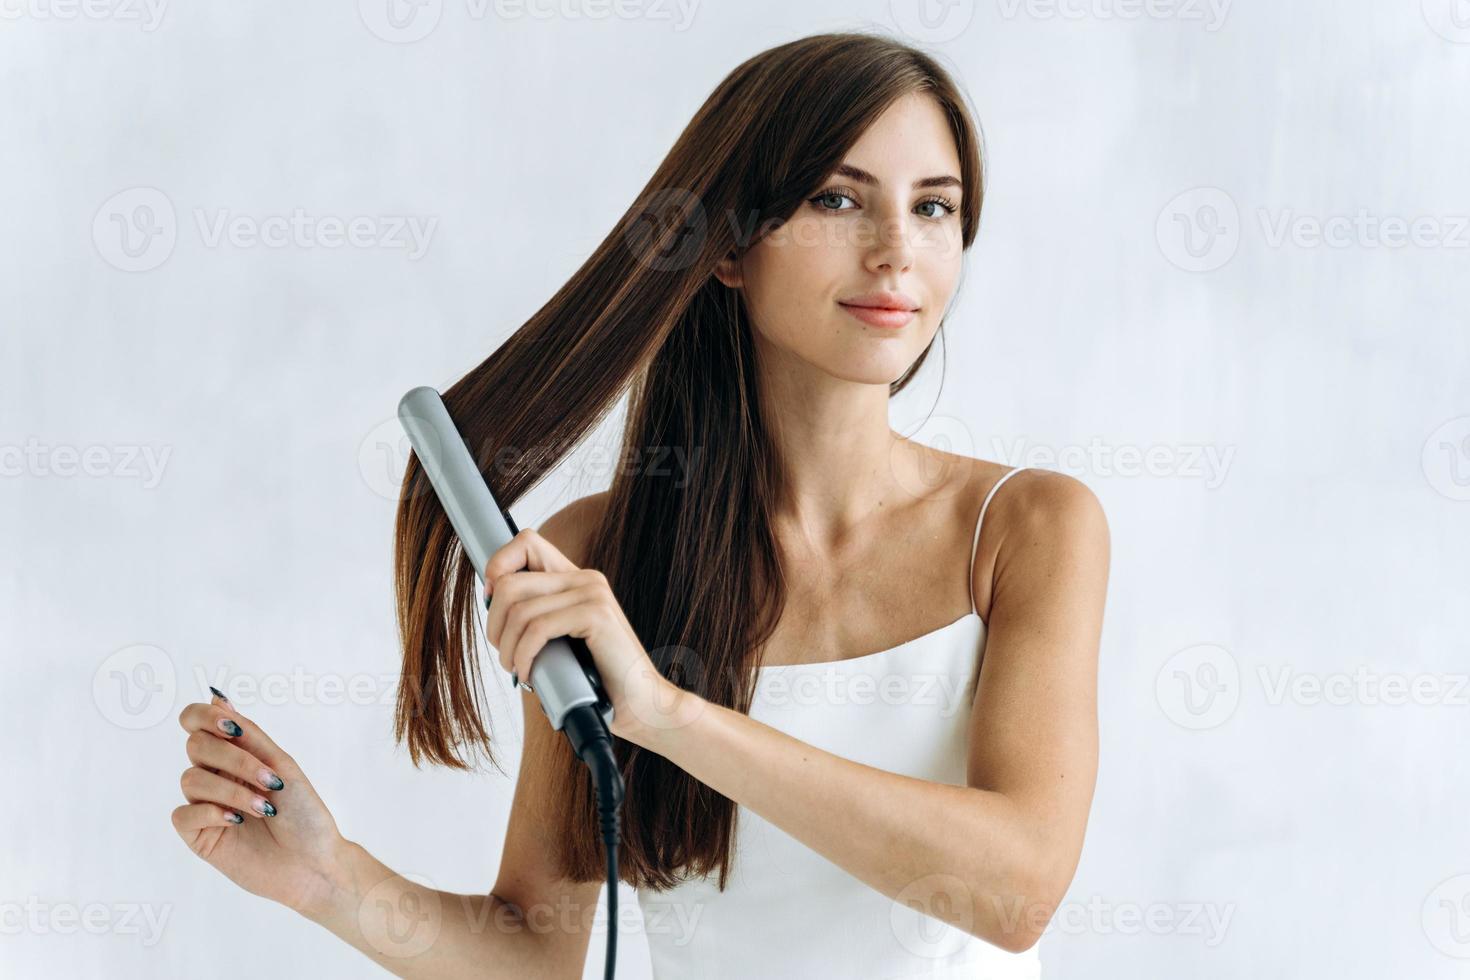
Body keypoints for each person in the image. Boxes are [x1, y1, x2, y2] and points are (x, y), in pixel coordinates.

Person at [171, 29, 1109, 979]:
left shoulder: (1026, 531)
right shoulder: (602, 558)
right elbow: (537, 949)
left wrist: (667, 714)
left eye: (935, 207)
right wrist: (331, 880)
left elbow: (1017, 891)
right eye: (838, 199)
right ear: (731, 247)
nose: (897, 251)